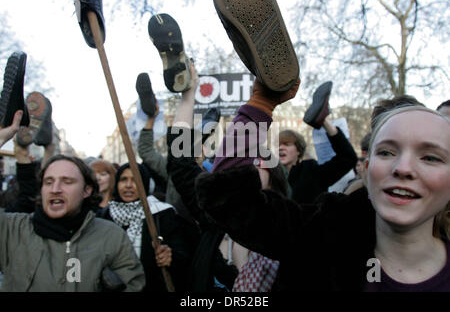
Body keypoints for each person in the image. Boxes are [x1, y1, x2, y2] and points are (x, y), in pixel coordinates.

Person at [195, 79, 450, 291]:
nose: (403, 168)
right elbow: (229, 195)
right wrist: (261, 105)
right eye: (387, 152)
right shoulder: (325, 232)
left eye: (430, 157)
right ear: (369, 169)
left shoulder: (311, 171)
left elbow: (346, 158)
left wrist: (324, 122)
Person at [0, 111, 145, 291]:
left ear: (87, 190)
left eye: (67, 182)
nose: (55, 189)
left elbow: (134, 286)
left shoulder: (112, 237)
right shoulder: (12, 230)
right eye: (49, 182)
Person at [98, 162, 198, 292]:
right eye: (124, 179)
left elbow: (183, 254)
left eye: (135, 180)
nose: (128, 185)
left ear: (144, 183)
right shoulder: (105, 215)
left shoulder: (161, 214)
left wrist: (170, 257)